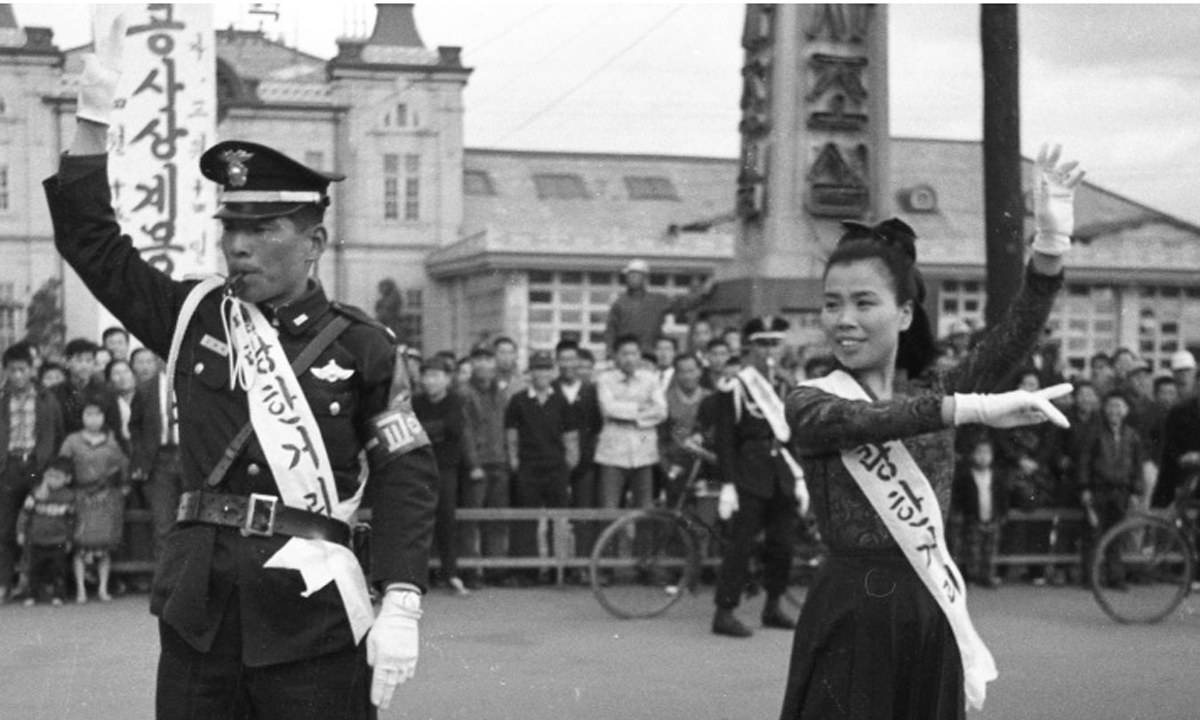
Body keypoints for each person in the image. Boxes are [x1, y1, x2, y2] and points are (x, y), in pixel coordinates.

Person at [44, 23, 438, 717]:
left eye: (263, 229)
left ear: (313, 241)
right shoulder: (193, 316)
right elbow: (91, 243)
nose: (239, 246)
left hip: (312, 613)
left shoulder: (363, 346)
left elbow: (406, 473)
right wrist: (94, 120)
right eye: (231, 227)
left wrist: (402, 597)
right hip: (202, 612)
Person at [779, 145, 1083, 719]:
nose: (843, 320)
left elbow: (1011, 338)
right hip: (849, 608)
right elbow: (866, 422)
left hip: (926, 603)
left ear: (904, 314)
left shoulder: (937, 393)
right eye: (832, 304)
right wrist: (968, 408)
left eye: (864, 302)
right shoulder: (812, 400)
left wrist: (1049, 245)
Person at [710, 316, 806, 638]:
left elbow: (791, 435)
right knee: (741, 544)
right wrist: (727, 483)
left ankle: (773, 605)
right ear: (750, 348)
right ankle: (724, 611)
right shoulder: (736, 386)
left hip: (781, 472)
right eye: (762, 344)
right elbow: (725, 440)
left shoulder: (787, 385)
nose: (769, 350)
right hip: (748, 472)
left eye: (774, 343)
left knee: (782, 544)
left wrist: (800, 477)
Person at [504, 350, 579, 584]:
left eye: (546, 368)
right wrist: (514, 462)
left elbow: (571, 436)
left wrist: (569, 463)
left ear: (553, 372)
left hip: (556, 468)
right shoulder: (518, 400)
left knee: (560, 519)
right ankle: (527, 572)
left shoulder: (561, 401)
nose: (542, 373)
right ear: (530, 372)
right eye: (538, 368)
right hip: (528, 468)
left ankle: (560, 570)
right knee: (526, 521)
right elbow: (512, 435)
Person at [0, 341, 64, 601]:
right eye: (12, 370)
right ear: (5, 370)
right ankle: (4, 582)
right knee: (5, 527)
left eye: (22, 369)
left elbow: (57, 434)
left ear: (31, 369)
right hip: (8, 466)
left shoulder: (47, 399)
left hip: (37, 466)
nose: (18, 375)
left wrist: (48, 469)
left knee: (37, 526)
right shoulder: (2, 399)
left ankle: (33, 584)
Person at [58, 400, 129, 603]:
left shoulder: (111, 441)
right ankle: (80, 589)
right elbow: (62, 465)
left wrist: (123, 484)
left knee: (104, 545)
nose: (93, 419)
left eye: (97, 415)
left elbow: (122, 466)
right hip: (81, 495)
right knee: (81, 545)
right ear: (82, 417)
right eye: (88, 415)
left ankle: (103, 588)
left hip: (105, 497)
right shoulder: (72, 441)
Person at [412, 356, 469, 595]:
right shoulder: (415, 401)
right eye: (426, 375)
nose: (430, 381)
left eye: (436, 376)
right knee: (416, 521)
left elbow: (453, 428)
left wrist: (426, 430)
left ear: (447, 379)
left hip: (446, 468)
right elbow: (411, 430)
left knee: (447, 520)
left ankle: (451, 574)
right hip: (418, 467)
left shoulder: (456, 401)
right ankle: (416, 575)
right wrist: (435, 429)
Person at [1078, 391, 1145, 590]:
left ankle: (1115, 577)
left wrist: (1136, 491)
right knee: (1093, 535)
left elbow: (1138, 466)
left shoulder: (1132, 435)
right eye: (1111, 406)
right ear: (1104, 409)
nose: (1114, 410)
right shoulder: (1094, 432)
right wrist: (1084, 487)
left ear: (1126, 410)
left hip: (1122, 491)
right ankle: (1091, 577)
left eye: (1119, 406)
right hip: (1098, 489)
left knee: (1116, 536)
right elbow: (1084, 461)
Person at [594, 333, 667, 511]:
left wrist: (627, 415)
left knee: (644, 508)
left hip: (644, 453)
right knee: (609, 508)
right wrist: (640, 408)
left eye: (634, 353)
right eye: (624, 354)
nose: (629, 359)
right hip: (612, 454)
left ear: (640, 355)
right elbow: (609, 409)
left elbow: (661, 411)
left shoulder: (651, 378)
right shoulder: (605, 379)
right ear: (615, 356)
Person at [460, 343, 512, 585]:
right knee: (471, 520)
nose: (484, 364)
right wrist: (473, 464)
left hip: (499, 461)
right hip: (477, 464)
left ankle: (495, 571)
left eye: (488, 359)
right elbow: (465, 431)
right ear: (472, 363)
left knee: (497, 519)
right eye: (478, 359)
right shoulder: (464, 392)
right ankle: (470, 571)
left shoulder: (501, 391)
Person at [552, 339, 602, 570]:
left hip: (586, 463)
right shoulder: (550, 389)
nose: (568, 364)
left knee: (584, 514)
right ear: (557, 361)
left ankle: (582, 566)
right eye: (563, 359)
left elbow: (597, 425)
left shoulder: (591, 391)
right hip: (556, 463)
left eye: (572, 359)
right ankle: (557, 567)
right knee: (558, 516)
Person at [603, 259, 713, 355]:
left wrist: (702, 293)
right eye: (630, 276)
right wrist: (610, 353)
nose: (632, 279)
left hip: (651, 355)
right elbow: (610, 331)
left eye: (636, 275)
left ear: (644, 278)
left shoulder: (657, 300)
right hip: (627, 355)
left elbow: (682, 304)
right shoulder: (619, 303)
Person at [948, 432, 1006, 588]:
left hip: (992, 517)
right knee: (972, 549)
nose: (983, 457)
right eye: (979, 452)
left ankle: (987, 576)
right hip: (973, 517)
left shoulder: (997, 476)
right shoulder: (966, 476)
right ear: (972, 455)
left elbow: (1002, 497)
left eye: (987, 453)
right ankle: (971, 576)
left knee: (990, 550)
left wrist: (1002, 514)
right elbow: (959, 498)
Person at [17, 456, 76, 607]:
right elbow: (25, 513)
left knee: (58, 570)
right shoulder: (36, 493)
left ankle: (58, 595)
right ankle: (31, 595)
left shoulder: (69, 496)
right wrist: (21, 532)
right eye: (50, 476)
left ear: (67, 479)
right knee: (34, 570)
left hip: (58, 541)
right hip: (37, 539)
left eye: (57, 477)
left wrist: (70, 539)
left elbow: (72, 520)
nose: (53, 480)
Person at [55, 338, 112, 435]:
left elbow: (113, 426)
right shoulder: (56, 393)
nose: (84, 366)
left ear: (94, 363)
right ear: (67, 363)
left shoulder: (106, 392)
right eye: (79, 360)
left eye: (89, 360)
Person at [493, 336, 527, 401]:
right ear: (494, 354)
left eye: (510, 352)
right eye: (502, 352)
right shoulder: (486, 381)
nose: (506, 357)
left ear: (516, 356)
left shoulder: (524, 383)